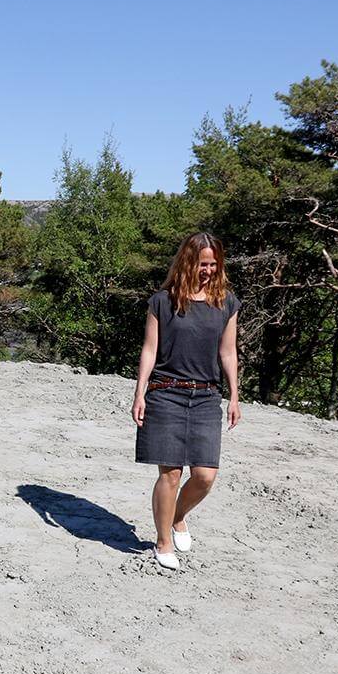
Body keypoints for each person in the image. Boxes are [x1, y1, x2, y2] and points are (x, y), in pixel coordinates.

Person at [131, 232, 240, 571]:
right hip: (166, 392)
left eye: (213, 264)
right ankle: (163, 541)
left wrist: (235, 394)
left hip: (207, 395)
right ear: (187, 262)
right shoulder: (162, 302)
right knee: (171, 472)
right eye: (202, 263)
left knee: (206, 475)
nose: (208, 270)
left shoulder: (226, 303)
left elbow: (228, 351)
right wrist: (140, 391)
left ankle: (178, 515)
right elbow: (150, 349)